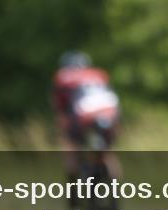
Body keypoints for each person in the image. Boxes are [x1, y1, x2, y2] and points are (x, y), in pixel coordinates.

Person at [51, 51, 122, 189]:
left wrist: (63, 127)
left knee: (71, 146)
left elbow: (61, 109)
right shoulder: (99, 74)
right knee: (108, 153)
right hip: (110, 113)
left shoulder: (64, 77)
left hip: (84, 115)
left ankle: (72, 188)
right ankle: (116, 190)